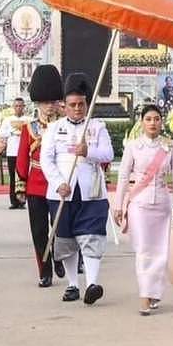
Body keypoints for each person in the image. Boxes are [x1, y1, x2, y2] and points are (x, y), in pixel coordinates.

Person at [41, 73, 114, 304]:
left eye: (81, 104)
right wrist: (58, 183)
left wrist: (88, 152)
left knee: (92, 235)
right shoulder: (54, 129)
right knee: (65, 238)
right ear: (64, 105)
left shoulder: (97, 126)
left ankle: (92, 283)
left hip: (91, 190)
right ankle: (73, 284)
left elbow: (108, 154)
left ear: (87, 103)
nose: (77, 109)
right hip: (63, 191)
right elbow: (46, 159)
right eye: (72, 105)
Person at [114, 105, 173, 315]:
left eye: (156, 119)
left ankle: (154, 291)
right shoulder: (133, 146)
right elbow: (123, 176)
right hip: (139, 204)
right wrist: (119, 205)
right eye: (148, 119)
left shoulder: (169, 147)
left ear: (161, 122)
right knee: (144, 250)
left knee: (161, 251)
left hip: (162, 204)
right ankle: (145, 294)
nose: (153, 123)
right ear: (141, 122)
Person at [16, 65, 66, 288]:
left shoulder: (63, 127)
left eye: (52, 102)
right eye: (45, 103)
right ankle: (44, 271)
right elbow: (21, 161)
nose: (49, 106)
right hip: (36, 185)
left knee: (59, 227)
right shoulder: (29, 128)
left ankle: (58, 257)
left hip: (56, 184)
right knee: (39, 232)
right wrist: (20, 186)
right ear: (38, 103)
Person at [0, 97, 31, 209]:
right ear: (13, 107)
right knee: (13, 177)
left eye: (20, 106)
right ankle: (13, 201)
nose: (18, 108)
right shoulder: (8, 120)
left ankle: (22, 200)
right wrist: (12, 132)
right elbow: (1, 133)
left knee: (23, 176)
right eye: (16, 106)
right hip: (12, 151)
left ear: (24, 107)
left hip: (25, 152)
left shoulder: (28, 119)